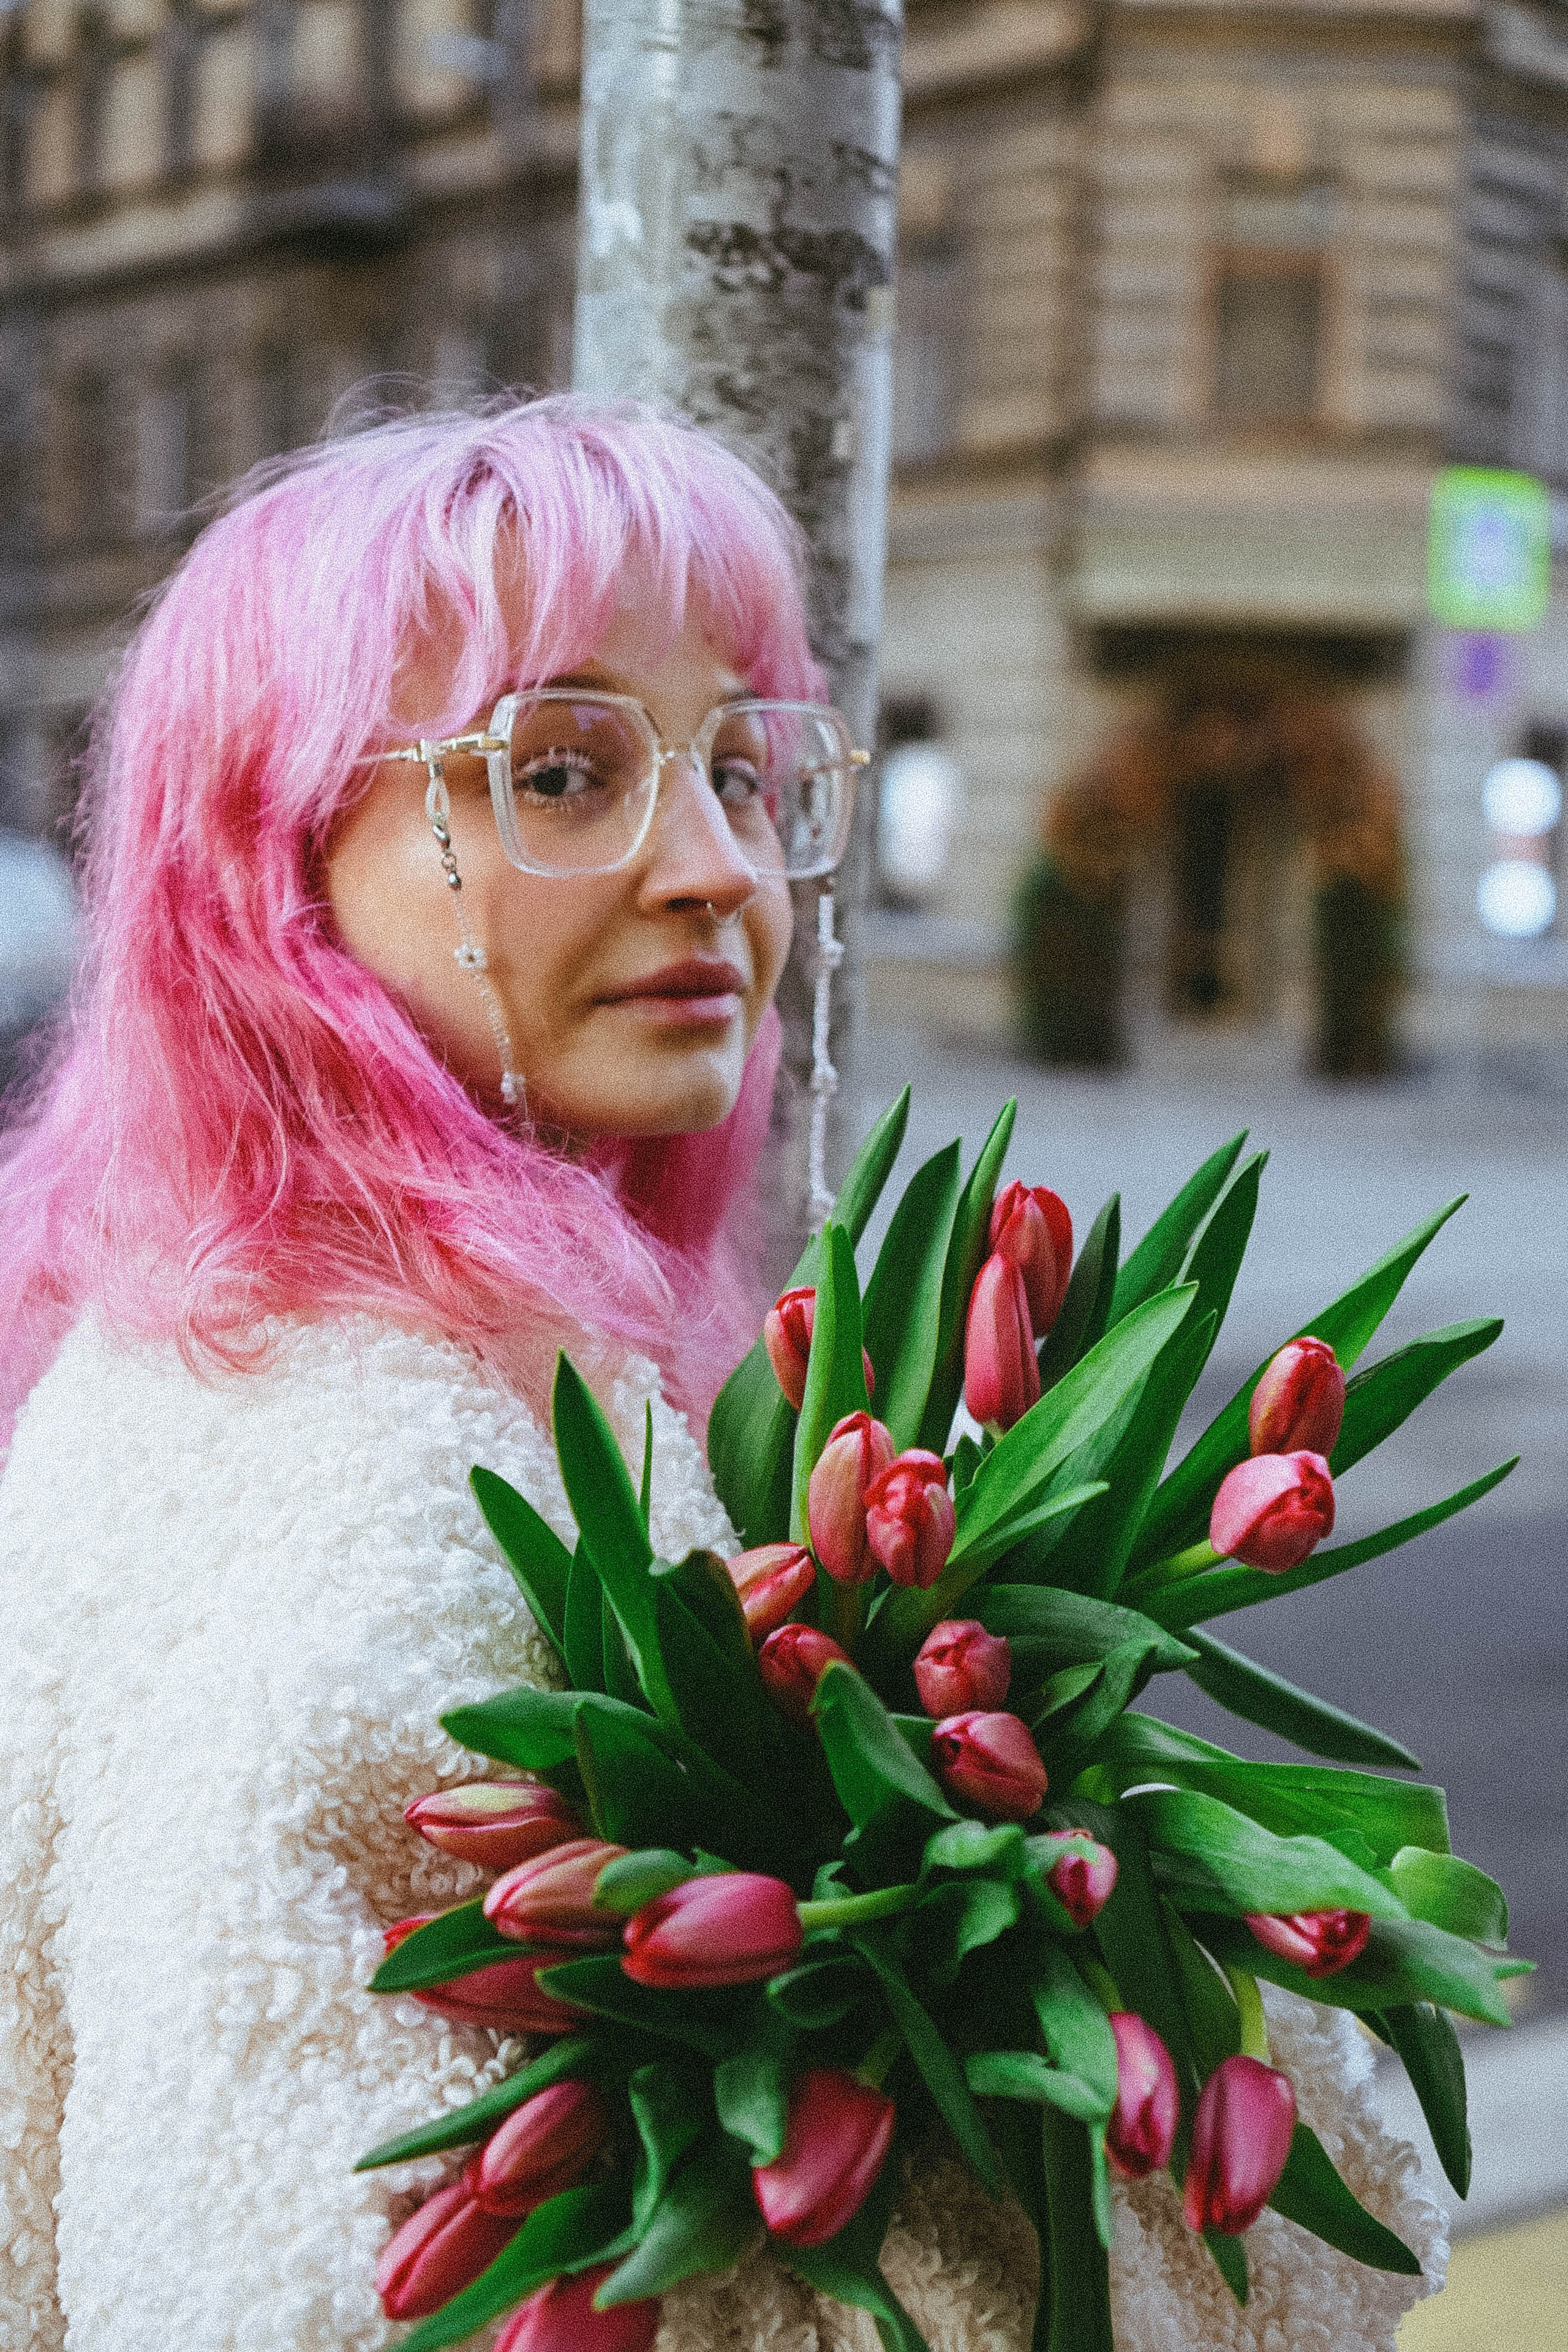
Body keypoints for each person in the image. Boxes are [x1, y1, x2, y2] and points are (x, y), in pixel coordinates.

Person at [0, 399, 1445, 2351]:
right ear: (276, 868)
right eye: (566, 769)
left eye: (746, 770)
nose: (717, 872)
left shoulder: (206, 1342)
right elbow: (290, 2287)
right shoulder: (395, 1484)